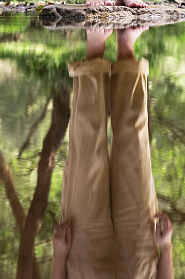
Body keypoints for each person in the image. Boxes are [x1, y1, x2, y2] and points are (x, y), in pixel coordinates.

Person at [51, 26, 174, 279]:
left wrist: (60, 256)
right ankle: (126, 44)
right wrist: (166, 247)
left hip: (85, 261)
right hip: (139, 259)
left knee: (86, 154)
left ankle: (95, 45)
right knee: (135, 149)